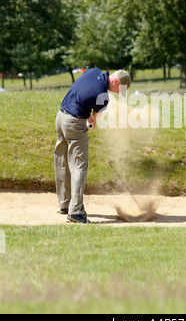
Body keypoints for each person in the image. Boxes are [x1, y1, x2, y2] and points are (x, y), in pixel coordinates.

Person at [54, 68, 131, 224]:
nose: (117, 93)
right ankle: (76, 212)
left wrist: (88, 115)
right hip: (74, 123)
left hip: (61, 118)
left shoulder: (93, 71)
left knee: (62, 161)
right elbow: (93, 120)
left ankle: (65, 204)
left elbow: (83, 93)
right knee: (79, 166)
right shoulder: (103, 96)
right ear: (116, 82)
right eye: (119, 90)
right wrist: (91, 121)